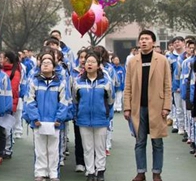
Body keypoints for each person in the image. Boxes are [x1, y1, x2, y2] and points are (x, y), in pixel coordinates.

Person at [124, 30, 172, 181]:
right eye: (141, 39)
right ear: (138, 42)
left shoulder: (162, 60)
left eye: (147, 39)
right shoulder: (133, 61)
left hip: (157, 107)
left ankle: (156, 172)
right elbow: (128, 86)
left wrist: (166, 106)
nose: (143, 41)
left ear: (153, 42)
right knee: (140, 141)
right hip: (138, 107)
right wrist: (127, 107)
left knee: (157, 141)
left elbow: (167, 85)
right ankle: (141, 172)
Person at [23, 52, 68, 181]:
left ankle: (53, 173)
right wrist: (35, 118)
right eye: (43, 63)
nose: (46, 65)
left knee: (54, 150)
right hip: (39, 122)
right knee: (40, 149)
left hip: (55, 123)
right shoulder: (34, 82)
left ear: (54, 67)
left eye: (49, 63)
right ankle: (40, 172)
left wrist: (59, 119)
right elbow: (30, 101)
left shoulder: (60, 83)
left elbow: (64, 102)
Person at [73, 52, 114, 181]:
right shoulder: (77, 82)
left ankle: (100, 171)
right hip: (83, 120)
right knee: (87, 148)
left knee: (100, 147)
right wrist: (77, 115)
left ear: (98, 65)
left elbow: (111, 101)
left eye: (93, 62)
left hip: (101, 119)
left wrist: (107, 116)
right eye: (87, 62)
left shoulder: (106, 82)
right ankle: (90, 172)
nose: (89, 64)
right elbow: (74, 100)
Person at [0, 51, 20, 159]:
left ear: (6, 59)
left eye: (2, 57)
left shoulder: (14, 72)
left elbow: (13, 90)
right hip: (0, 103)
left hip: (9, 103)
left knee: (7, 128)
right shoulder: (1, 71)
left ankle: (7, 149)